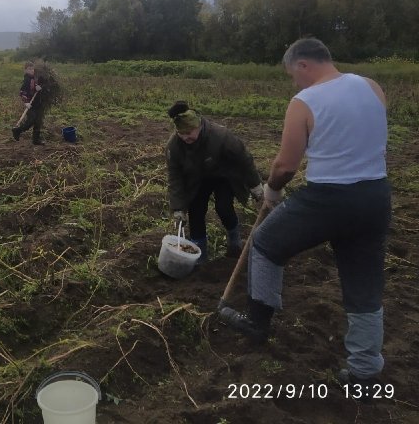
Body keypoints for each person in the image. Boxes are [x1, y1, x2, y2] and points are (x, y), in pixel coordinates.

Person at [221, 38, 391, 395]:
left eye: (292, 75)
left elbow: (285, 165)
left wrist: (273, 190)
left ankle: (256, 321)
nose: (294, 83)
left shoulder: (305, 101)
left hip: (329, 198)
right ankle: (363, 369)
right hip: (375, 196)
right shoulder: (372, 87)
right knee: (364, 282)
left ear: (302, 65)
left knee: (266, 243)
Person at [166, 100, 263, 263]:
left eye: (189, 132)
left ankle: (234, 242)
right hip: (197, 178)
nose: (186, 137)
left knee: (223, 207)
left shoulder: (220, 136)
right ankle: (200, 256)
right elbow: (175, 178)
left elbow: (244, 159)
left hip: (223, 175)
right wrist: (178, 208)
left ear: (199, 126)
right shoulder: (174, 147)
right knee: (195, 212)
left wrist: (256, 185)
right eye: (181, 134)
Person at [11, 61, 45, 145]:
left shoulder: (34, 78)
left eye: (32, 68)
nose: (31, 70)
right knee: (31, 120)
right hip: (30, 104)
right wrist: (26, 102)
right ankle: (17, 130)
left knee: (38, 121)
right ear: (25, 70)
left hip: (38, 103)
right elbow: (22, 92)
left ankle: (36, 140)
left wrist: (38, 87)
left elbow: (39, 84)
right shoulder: (27, 79)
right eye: (29, 69)